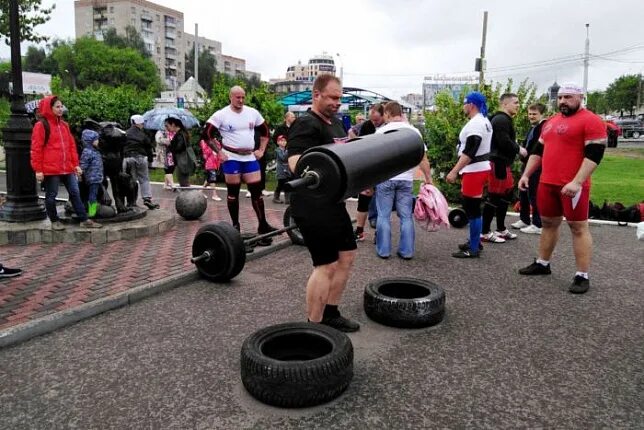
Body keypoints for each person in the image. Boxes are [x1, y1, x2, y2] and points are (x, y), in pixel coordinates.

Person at [518, 83, 607, 294]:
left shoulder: (591, 120)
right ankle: (542, 263)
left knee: (578, 227)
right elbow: (538, 151)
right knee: (548, 223)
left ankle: (582, 275)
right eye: (560, 98)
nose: (563, 101)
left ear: (580, 97)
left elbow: (594, 155)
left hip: (573, 186)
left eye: (568, 97)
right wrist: (526, 175)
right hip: (547, 183)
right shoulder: (550, 122)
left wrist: (577, 182)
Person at [287, 74, 359, 332]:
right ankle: (314, 327)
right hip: (311, 205)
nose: (337, 102)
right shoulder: (306, 124)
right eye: (333, 97)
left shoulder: (336, 125)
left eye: (340, 98)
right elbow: (295, 161)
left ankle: (331, 313)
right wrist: (312, 172)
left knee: (347, 255)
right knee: (326, 263)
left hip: (333, 203)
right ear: (316, 94)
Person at [202, 86, 277, 236]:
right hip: (231, 157)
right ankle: (235, 227)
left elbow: (265, 131)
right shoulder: (221, 114)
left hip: (249, 157)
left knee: (257, 192)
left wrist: (261, 150)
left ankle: (263, 225)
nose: (241, 100)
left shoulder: (252, 112)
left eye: (243, 97)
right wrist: (219, 153)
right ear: (230, 97)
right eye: (237, 97)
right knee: (233, 194)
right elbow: (206, 134)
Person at [30, 95, 102, 230]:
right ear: (49, 108)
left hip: (67, 167)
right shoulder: (41, 126)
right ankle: (54, 220)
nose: (60, 109)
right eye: (57, 106)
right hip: (51, 168)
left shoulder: (64, 125)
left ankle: (84, 219)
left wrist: (75, 164)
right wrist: (38, 169)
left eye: (61, 106)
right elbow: (36, 148)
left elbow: (71, 146)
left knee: (75, 192)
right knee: (52, 195)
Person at [374, 101, 432, 260]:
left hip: (385, 179)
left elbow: (374, 160)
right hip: (407, 179)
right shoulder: (414, 132)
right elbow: (423, 159)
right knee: (406, 216)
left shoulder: (381, 132)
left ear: (387, 114)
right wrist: (429, 179)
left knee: (383, 215)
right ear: (401, 113)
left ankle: (384, 251)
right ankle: (407, 251)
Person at [446, 91, 493, 258]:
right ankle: (475, 242)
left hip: (475, 169)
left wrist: (454, 171)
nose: (463, 107)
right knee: (473, 207)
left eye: (464, 104)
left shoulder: (476, 124)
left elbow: (470, 150)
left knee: (472, 208)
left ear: (471, 104)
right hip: (478, 168)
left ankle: (473, 248)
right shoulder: (484, 121)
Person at [480, 93, 527, 243]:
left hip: (503, 163)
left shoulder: (503, 119)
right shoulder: (500, 119)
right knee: (494, 196)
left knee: (505, 196)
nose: (518, 105)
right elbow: (503, 141)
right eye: (515, 102)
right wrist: (519, 149)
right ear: (505, 104)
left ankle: (500, 229)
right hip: (497, 162)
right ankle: (485, 232)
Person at [511, 103, 546, 234]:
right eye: (530, 114)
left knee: (534, 194)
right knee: (523, 192)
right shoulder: (533, 127)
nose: (531, 116)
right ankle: (524, 219)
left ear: (542, 114)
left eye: (534, 114)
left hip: (536, 165)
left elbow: (538, 148)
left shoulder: (543, 127)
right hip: (526, 163)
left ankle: (538, 224)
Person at [354, 103, 385, 241]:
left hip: (383, 169)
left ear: (384, 116)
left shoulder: (388, 128)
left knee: (382, 202)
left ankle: (380, 233)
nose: (374, 122)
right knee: (363, 200)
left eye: (377, 120)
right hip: (368, 167)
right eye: (372, 119)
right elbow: (360, 145)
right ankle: (359, 231)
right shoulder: (367, 126)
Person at [123, 114, 159, 209]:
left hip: (128, 158)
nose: (142, 125)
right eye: (142, 124)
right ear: (139, 124)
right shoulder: (143, 135)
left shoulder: (125, 133)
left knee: (132, 180)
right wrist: (150, 161)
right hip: (141, 157)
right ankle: (147, 198)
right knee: (144, 179)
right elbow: (149, 148)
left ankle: (132, 201)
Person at [79, 129, 104, 218]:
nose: (98, 141)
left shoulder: (94, 151)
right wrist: (80, 174)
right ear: (90, 140)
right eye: (96, 139)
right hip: (92, 178)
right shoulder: (88, 152)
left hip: (97, 177)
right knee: (92, 195)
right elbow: (83, 165)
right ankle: (92, 212)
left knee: (95, 194)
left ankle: (92, 210)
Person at [166, 117, 196, 188]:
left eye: (167, 125)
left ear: (173, 124)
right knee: (184, 181)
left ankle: (188, 198)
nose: (167, 128)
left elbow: (179, 147)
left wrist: (170, 145)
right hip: (184, 160)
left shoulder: (180, 134)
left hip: (182, 161)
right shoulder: (182, 133)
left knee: (183, 182)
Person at [155, 120, 176, 189]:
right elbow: (158, 140)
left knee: (171, 167)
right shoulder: (160, 132)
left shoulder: (172, 131)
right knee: (167, 168)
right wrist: (168, 141)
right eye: (166, 125)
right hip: (163, 152)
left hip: (171, 152)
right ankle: (172, 185)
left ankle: (166, 185)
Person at [272, 135, 291, 204]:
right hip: (281, 170)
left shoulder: (286, 150)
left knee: (287, 183)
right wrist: (288, 151)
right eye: (281, 141)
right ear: (278, 142)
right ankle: (276, 197)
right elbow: (283, 158)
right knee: (280, 184)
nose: (283, 142)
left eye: (285, 141)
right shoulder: (277, 150)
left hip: (287, 169)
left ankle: (287, 199)